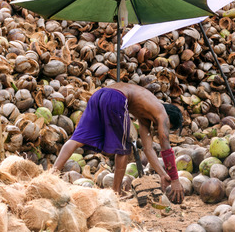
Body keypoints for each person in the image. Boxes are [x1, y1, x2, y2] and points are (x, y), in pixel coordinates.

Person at [53, 82, 185, 204]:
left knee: (77, 140)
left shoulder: (146, 115)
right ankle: (116, 193)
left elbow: (148, 149)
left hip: (99, 95)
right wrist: (175, 179)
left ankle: (50, 176)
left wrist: (163, 174)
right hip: (116, 98)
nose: (159, 128)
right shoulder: (162, 114)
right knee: (123, 149)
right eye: (166, 126)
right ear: (168, 118)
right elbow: (166, 147)